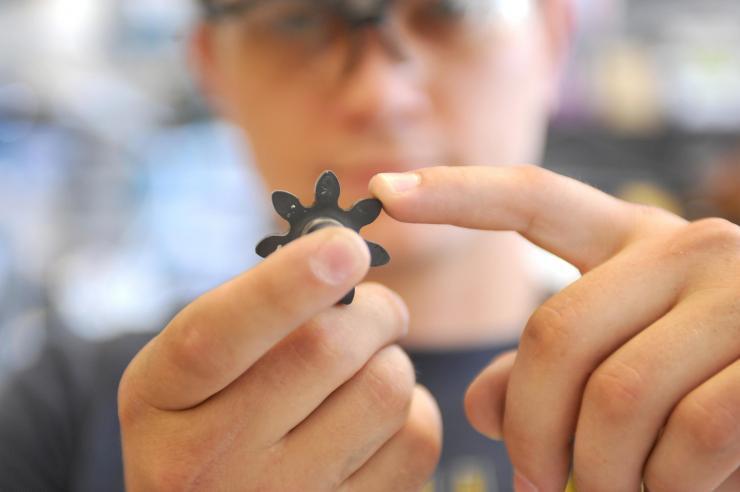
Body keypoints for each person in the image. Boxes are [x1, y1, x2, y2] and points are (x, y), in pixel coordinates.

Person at [2, 0, 739, 490]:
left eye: (453, 9)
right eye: (294, 20)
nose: (378, 95)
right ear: (211, 68)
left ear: (552, 40)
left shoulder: (709, 396)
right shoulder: (62, 411)